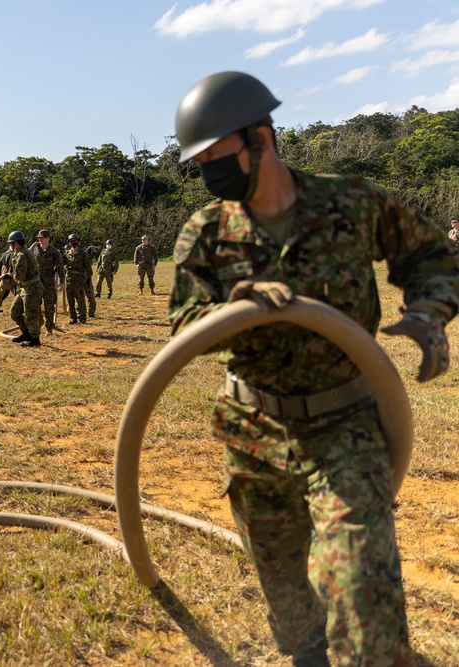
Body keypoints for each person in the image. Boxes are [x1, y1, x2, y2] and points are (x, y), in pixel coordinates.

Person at [170, 71, 459, 667]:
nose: (209, 175)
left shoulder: (351, 202)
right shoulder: (204, 232)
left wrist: (429, 314)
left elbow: (433, 255)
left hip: (346, 423)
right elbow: (184, 324)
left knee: (361, 584)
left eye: (216, 158)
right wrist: (233, 306)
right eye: (199, 165)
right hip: (253, 430)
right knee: (286, 593)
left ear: (261, 138)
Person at [4, 231, 43, 347]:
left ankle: (35, 340)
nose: (11, 247)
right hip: (24, 288)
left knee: (31, 315)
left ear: (16, 244)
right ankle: (26, 333)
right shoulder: (20, 253)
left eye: (11, 244)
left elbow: (20, 276)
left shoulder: (22, 255)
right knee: (14, 312)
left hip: (32, 288)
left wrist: (11, 275)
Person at [29, 229, 66, 334]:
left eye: (43, 238)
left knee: (49, 306)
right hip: (36, 282)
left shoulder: (55, 252)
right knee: (35, 305)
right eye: (39, 238)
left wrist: (62, 282)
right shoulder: (35, 250)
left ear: (48, 239)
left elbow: (60, 268)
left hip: (48, 282)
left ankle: (49, 327)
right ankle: (37, 325)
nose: (40, 240)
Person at [62, 233, 88, 324]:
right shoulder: (66, 254)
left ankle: (82, 317)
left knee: (80, 299)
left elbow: (87, 267)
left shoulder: (83, 254)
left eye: (75, 241)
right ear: (69, 243)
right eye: (71, 241)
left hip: (79, 279)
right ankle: (73, 318)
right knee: (70, 300)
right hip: (69, 279)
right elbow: (61, 264)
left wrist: (87, 280)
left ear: (78, 242)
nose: (73, 242)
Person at [0, 245, 14, 313]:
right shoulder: (12, 255)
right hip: (10, 277)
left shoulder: (5, 253)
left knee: (2, 292)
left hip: (4, 276)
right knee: (5, 293)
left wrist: (0, 276)